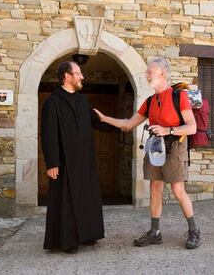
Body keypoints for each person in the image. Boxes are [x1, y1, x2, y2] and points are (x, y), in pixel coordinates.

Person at [94, 57, 201, 249]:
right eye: (147, 72)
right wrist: (104, 118)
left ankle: (194, 230)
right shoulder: (150, 101)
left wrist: (168, 130)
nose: (146, 75)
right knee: (155, 188)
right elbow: (128, 124)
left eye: (150, 72)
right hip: (156, 146)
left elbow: (191, 127)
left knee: (178, 190)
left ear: (163, 74)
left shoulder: (179, 97)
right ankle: (155, 233)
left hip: (176, 145)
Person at [41, 61, 117, 254]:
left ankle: (88, 234)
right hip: (64, 163)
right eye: (78, 73)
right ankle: (67, 241)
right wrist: (52, 163)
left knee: (86, 198)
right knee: (66, 201)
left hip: (85, 161)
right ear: (67, 76)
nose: (82, 76)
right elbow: (48, 134)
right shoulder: (52, 102)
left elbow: (97, 122)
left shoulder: (83, 101)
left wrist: (123, 126)